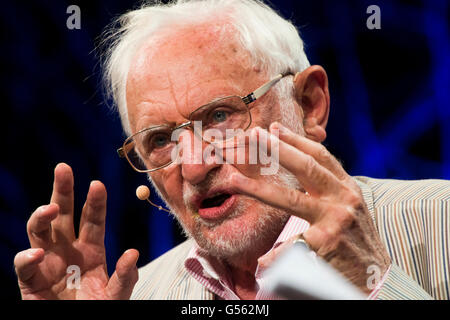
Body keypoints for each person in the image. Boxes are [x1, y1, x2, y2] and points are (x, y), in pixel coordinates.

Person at [14, 0, 449, 300]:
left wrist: (373, 287)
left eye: (220, 117)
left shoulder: (441, 222)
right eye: (161, 140)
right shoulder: (138, 292)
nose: (195, 166)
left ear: (310, 106)